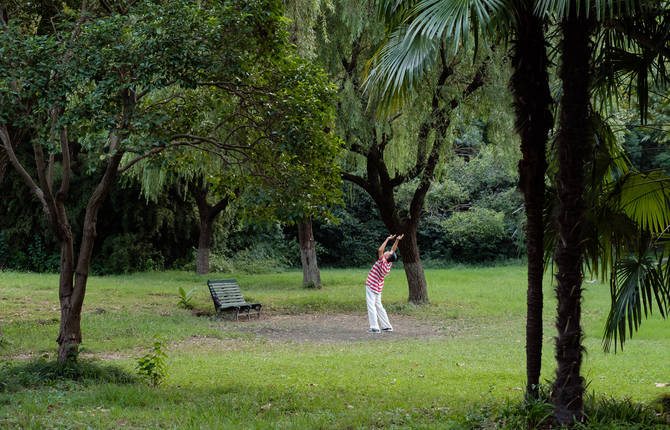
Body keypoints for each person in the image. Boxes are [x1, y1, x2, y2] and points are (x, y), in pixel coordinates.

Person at [365, 234, 403, 333]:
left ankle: (374, 327)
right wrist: (397, 240)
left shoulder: (383, 262)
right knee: (378, 306)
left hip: (372, 285)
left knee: (371, 306)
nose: (387, 251)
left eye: (388, 253)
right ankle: (387, 326)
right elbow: (393, 250)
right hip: (378, 287)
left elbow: (380, 250)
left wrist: (387, 239)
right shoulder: (389, 263)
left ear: (386, 257)